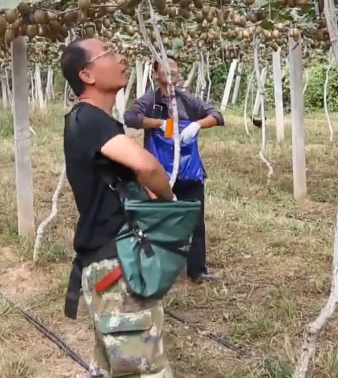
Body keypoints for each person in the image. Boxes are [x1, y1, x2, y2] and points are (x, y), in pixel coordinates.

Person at [60, 37, 178, 378]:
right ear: (88, 75)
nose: (121, 58)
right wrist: (168, 201)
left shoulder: (90, 121)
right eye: (109, 53)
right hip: (117, 264)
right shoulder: (90, 120)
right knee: (143, 370)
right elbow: (148, 166)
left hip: (107, 262)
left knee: (116, 367)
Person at [124, 56, 224, 284]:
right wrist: (158, 123)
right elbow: (130, 118)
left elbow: (217, 115)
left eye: (175, 71)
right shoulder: (149, 100)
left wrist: (198, 124)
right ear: (156, 74)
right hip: (160, 173)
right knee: (157, 220)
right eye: (166, 71)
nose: (171, 75)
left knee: (195, 220)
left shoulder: (187, 100)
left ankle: (197, 271)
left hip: (188, 172)